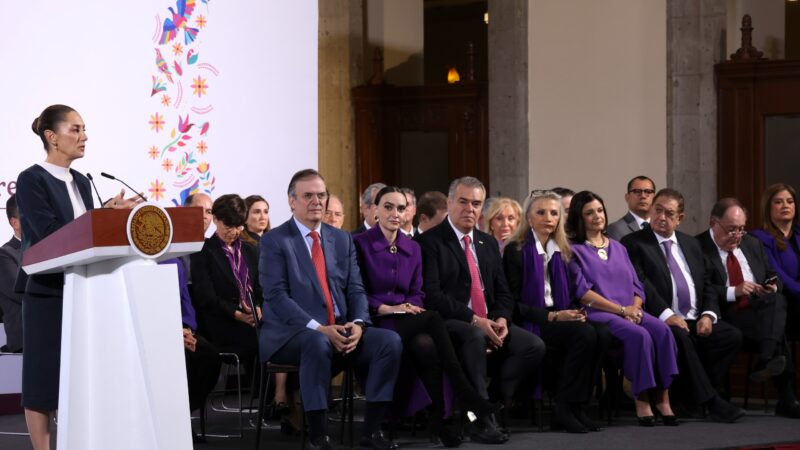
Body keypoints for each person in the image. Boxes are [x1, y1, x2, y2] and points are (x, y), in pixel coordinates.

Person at [16, 104, 138, 450]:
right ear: (51, 137)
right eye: (75, 130)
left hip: (83, 288)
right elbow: (50, 233)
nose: (84, 137)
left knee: (81, 373)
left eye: (84, 129)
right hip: (47, 288)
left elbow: (82, 232)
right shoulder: (31, 178)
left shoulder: (83, 181)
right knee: (43, 380)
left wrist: (105, 216)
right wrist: (98, 219)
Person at [259, 169, 402, 450]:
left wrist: (359, 324)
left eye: (321, 195)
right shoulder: (275, 240)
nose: (316, 201)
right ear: (291, 201)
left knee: (389, 342)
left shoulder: (341, 239)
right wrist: (320, 328)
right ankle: (318, 434)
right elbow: (276, 296)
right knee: (316, 341)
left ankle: (372, 431)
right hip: (291, 334)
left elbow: (356, 289)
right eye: (308, 195)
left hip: (340, 328)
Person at [354, 186, 500, 447]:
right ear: (374, 210)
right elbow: (355, 291)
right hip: (375, 319)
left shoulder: (412, 247)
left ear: (409, 211)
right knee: (433, 320)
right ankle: (464, 395)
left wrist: (409, 306)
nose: (395, 213)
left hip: (408, 319)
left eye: (401, 208)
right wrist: (385, 308)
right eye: (388, 207)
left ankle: (439, 421)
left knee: (428, 346)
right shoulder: (358, 244)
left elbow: (419, 292)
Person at [418, 176, 545, 444]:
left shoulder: (487, 243)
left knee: (532, 346)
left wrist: (501, 319)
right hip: (452, 322)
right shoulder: (430, 242)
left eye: (476, 203)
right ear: (450, 202)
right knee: (474, 338)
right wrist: (476, 321)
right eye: (463, 202)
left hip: (488, 320)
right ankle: (481, 420)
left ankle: (491, 401)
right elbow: (433, 296)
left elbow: (503, 293)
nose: (470, 209)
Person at [621, 189, 744, 422]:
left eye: (669, 213)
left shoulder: (691, 244)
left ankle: (688, 398)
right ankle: (711, 401)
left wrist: (708, 315)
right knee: (680, 336)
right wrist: (667, 315)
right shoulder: (634, 243)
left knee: (731, 336)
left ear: (680, 218)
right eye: (657, 210)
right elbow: (641, 283)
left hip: (695, 317)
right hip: (660, 319)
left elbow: (708, 283)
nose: (661, 217)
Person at [565, 190, 678, 427]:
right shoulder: (573, 251)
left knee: (662, 331)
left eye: (599, 210)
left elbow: (637, 286)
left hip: (631, 310)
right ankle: (642, 397)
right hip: (600, 313)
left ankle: (663, 396)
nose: (597, 216)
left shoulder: (619, 247)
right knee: (641, 336)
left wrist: (635, 309)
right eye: (589, 213)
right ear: (579, 217)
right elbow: (583, 294)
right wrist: (622, 311)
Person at [503, 190, 609, 433]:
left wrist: (574, 312)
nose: (548, 217)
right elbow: (514, 304)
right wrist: (552, 316)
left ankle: (577, 404)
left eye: (554, 213)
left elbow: (570, 295)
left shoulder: (563, 250)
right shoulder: (516, 251)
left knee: (601, 333)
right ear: (528, 218)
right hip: (534, 320)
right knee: (584, 335)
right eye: (541, 212)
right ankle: (563, 407)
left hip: (560, 317)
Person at [697, 198, 800, 418]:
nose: (737, 235)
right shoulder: (698, 247)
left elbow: (773, 274)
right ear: (713, 223)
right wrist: (735, 290)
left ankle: (767, 358)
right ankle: (785, 394)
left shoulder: (751, 243)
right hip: (726, 313)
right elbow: (699, 290)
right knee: (776, 327)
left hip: (759, 311)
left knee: (777, 300)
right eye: (731, 229)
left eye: (741, 229)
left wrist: (772, 285)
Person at [190, 194, 262, 386]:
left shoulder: (251, 250)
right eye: (228, 226)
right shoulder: (204, 251)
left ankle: (277, 399)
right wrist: (238, 315)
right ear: (215, 220)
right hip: (223, 323)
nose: (235, 232)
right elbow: (206, 298)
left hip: (253, 320)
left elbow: (260, 288)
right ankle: (268, 399)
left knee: (283, 334)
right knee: (265, 340)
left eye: (239, 226)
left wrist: (257, 307)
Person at [159, 257, 221, 442]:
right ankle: (169, 421)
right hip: (153, 329)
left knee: (208, 356)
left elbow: (184, 299)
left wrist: (187, 328)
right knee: (179, 360)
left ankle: (183, 413)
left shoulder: (173, 262)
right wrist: (171, 330)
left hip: (180, 328)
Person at [751, 183, 800, 331]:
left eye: (790, 201)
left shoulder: (798, 234)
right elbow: (778, 274)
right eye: (778, 202)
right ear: (768, 208)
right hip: (784, 302)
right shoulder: (759, 238)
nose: (785, 205)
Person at [0, 195, 23, 352]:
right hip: (25, 339)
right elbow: (20, 292)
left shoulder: (50, 250)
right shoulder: (5, 254)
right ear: (15, 222)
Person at [607, 176, 656, 241]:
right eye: (637, 191)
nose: (643, 196)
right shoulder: (616, 229)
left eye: (648, 192)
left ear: (655, 198)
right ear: (627, 197)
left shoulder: (660, 226)